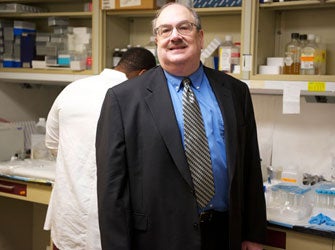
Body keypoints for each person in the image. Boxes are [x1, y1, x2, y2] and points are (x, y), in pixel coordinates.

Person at [96, 3, 267, 250]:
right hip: (157, 238)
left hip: (223, 233)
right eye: (165, 30)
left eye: (184, 27)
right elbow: (112, 190)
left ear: (200, 37)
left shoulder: (235, 91)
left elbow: (250, 166)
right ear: (156, 41)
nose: (174, 36)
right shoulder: (123, 99)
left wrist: (253, 234)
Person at [44, 47, 157, 250]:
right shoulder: (134, 100)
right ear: (143, 74)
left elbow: (52, 145)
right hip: (106, 226)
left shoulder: (73, 88)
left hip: (66, 218)